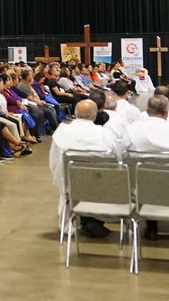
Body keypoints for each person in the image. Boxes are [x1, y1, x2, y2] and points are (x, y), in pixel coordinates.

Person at [48, 99, 118, 238]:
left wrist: (61, 180)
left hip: (70, 183)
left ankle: (79, 221)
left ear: (75, 114)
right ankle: (94, 218)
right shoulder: (105, 134)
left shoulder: (62, 132)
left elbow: (54, 161)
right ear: (95, 116)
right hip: (100, 183)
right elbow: (117, 159)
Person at [119, 94, 169, 160]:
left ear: (147, 112)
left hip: (137, 174)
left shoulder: (131, 130)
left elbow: (120, 156)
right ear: (167, 113)